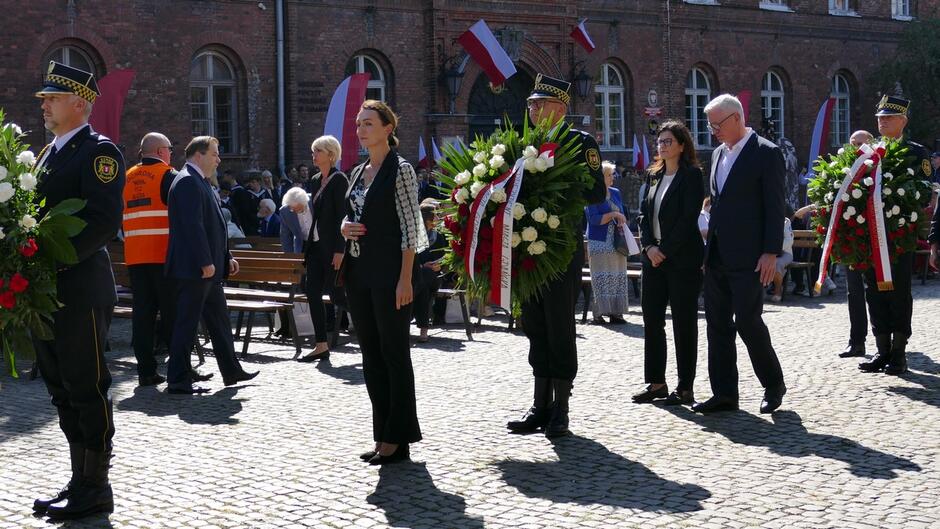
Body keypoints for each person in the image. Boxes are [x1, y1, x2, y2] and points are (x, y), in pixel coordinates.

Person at [31, 61, 125, 520]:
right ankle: (78, 478)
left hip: (80, 288)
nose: (44, 105)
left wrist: (51, 260)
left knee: (87, 386)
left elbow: (104, 223)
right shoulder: (48, 153)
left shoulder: (99, 152)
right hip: (44, 290)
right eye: (44, 99)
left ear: (79, 104)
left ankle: (96, 485)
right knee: (61, 388)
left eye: (51, 98)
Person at [505, 74, 606, 438]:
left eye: (538, 104)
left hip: (561, 248)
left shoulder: (580, 143)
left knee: (559, 324)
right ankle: (539, 405)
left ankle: (561, 408)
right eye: (530, 104)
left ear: (560, 108)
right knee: (534, 323)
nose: (532, 109)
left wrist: (556, 193)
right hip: (527, 245)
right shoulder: (522, 143)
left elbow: (597, 192)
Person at [340, 101, 428, 464]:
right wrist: (342, 228)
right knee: (370, 356)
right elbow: (350, 215)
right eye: (359, 124)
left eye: (369, 124)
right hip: (359, 273)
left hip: (392, 274)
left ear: (388, 128)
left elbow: (411, 227)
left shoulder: (401, 169)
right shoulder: (359, 171)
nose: (361, 130)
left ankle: (398, 436)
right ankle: (382, 434)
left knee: (394, 354)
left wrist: (405, 279)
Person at [693, 94, 786, 415]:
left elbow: (775, 207)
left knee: (748, 322)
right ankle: (724, 393)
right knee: (717, 325)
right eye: (710, 124)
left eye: (717, 124)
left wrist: (771, 252)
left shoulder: (766, 153)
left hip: (750, 256)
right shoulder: (718, 153)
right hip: (717, 254)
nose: (712, 130)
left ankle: (773, 384)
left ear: (736, 118)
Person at [164, 136, 259, 394]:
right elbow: (192, 228)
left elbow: (213, 225)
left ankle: (231, 370)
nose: (219, 159)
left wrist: (226, 257)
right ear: (198, 155)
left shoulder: (200, 182)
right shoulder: (186, 182)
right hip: (195, 269)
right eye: (215, 154)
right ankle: (178, 378)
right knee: (187, 322)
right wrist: (206, 261)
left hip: (209, 268)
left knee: (219, 320)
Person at [632, 120, 705, 406]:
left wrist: (664, 250)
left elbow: (688, 219)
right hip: (654, 260)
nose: (662, 146)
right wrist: (649, 247)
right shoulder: (653, 176)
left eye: (668, 142)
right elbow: (643, 215)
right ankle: (656, 382)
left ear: (682, 145)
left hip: (682, 260)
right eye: (660, 141)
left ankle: (685, 387)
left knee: (684, 323)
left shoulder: (692, 176)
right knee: (652, 320)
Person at [861, 96, 931, 375]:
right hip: (869, 237)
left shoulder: (916, 153)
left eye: (889, 117)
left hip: (899, 235)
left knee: (898, 292)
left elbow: (925, 191)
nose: (882, 121)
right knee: (874, 292)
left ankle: (899, 353)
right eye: (880, 117)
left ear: (903, 121)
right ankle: (882, 350)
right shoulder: (868, 152)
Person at [122, 132, 177, 387]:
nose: (170, 154)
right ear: (159, 151)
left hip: (135, 256)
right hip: (163, 256)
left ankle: (145, 371)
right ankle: (179, 369)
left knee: (142, 316)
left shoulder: (126, 177)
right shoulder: (168, 176)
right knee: (172, 314)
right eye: (169, 149)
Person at [297, 135, 349, 362]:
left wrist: (340, 250)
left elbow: (343, 216)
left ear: (330, 154)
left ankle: (374, 327)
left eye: (317, 150)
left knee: (338, 295)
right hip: (316, 247)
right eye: (313, 150)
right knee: (312, 292)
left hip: (333, 247)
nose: (313, 155)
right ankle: (321, 344)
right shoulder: (316, 179)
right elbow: (314, 213)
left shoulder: (340, 180)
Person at [836, 130, 875, 358]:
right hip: (851, 241)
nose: (857, 147)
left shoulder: (878, 169)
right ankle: (857, 341)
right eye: (854, 144)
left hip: (874, 240)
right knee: (854, 293)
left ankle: (886, 340)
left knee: (878, 293)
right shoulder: (841, 171)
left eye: (862, 143)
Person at [584, 161, 629, 324]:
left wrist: (619, 217)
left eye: (612, 174)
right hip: (599, 241)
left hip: (617, 241)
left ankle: (616, 313)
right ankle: (599, 313)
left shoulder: (616, 192)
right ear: (601, 177)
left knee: (617, 276)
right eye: (609, 175)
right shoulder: (592, 193)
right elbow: (593, 219)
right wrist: (612, 215)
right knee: (601, 276)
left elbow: (622, 213)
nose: (613, 178)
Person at [413, 202, 448, 342]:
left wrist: (440, 265)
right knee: (424, 288)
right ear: (428, 219)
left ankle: (414, 319)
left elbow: (447, 259)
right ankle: (424, 330)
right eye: (436, 216)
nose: (439, 219)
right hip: (417, 277)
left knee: (426, 277)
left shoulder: (439, 236)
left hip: (435, 277)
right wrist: (422, 266)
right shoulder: (414, 237)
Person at [768, 212, 794, 303]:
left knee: (777, 263)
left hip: (785, 253)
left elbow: (789, 241)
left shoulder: (786, 222)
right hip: (765, 252)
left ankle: (777, 291)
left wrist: (773, 249)